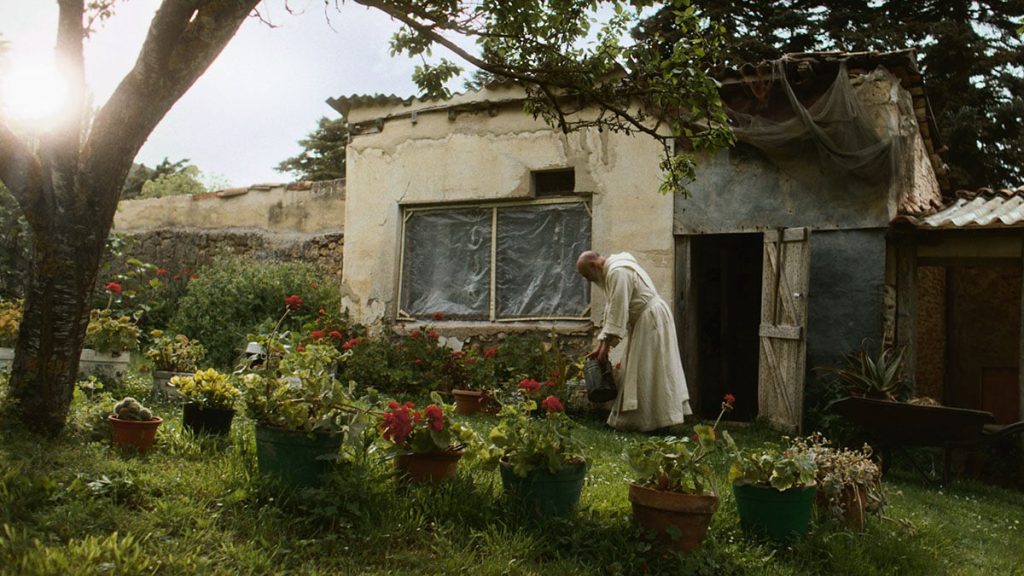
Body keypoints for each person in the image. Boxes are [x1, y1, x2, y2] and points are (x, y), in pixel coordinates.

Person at [576, 250, 692, 432]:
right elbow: (612, 309)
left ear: (593, 265)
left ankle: (657, 422)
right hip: (646, 321)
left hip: (651, 320)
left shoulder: (618, 271)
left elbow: (618, 310)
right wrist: (601, 345)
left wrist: (606, 348)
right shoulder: (612, 270)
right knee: (643, 369)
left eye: (586, 275)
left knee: (652, 369)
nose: (588, 280)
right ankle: (647, 420)